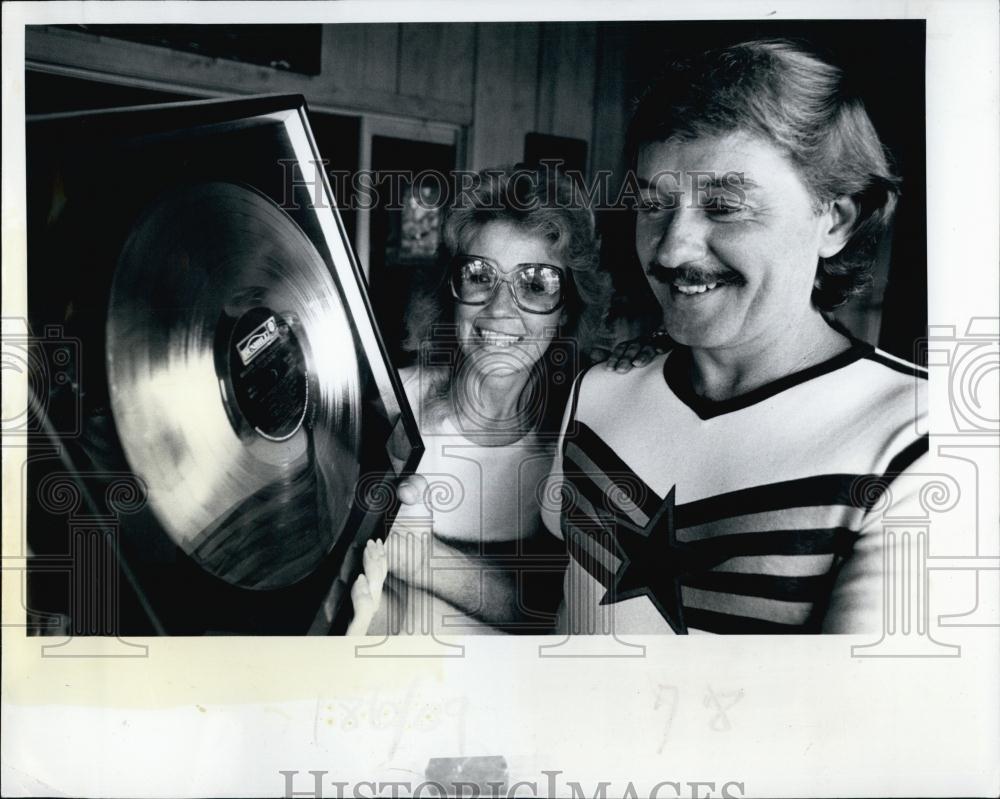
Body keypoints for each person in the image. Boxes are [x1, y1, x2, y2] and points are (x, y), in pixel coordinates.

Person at [540, 39, 929, 634]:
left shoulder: (916, 441)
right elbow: (559, 610)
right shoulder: (599, 390)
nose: (671, 249)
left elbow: (861, 721)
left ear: (836, 220)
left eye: (724, 206)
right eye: (654, 204)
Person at [349, 166, 614, 636]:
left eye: (535, 284)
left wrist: (427, 560)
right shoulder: (388, 405)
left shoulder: (576, 440)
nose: (499, 308)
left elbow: (553, 613)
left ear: (568, 310)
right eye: (479, 275)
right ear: (451, 293)